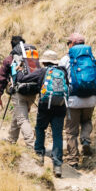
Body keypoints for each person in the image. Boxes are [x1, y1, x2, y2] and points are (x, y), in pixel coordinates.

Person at [59, 32, 96, 163]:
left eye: (68, 43)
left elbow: (60, 81)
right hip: (90, 100)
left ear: (71, 44)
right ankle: (85, 140)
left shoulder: (65, 60)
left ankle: (73, 158)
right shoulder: (93, 59)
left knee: (71, 130)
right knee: (87, 121)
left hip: (73, 100)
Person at [0, 35, 41, 147]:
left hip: (19, 91)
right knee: (19, 114)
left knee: (22, 119)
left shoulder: (9, 59)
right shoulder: (31, 57)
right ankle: (11, 139)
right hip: (33, 91)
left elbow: (2, 78)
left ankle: (32, 145)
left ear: (12, 46)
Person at [33, 49, 68, 178]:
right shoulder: (63, 71)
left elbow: (26, 79)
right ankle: (57, 165)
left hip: (44, 107)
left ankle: (39, 156)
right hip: (60, 107)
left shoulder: (42, 71)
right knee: (57, 134)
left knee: (40, 128)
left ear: (45, 62)